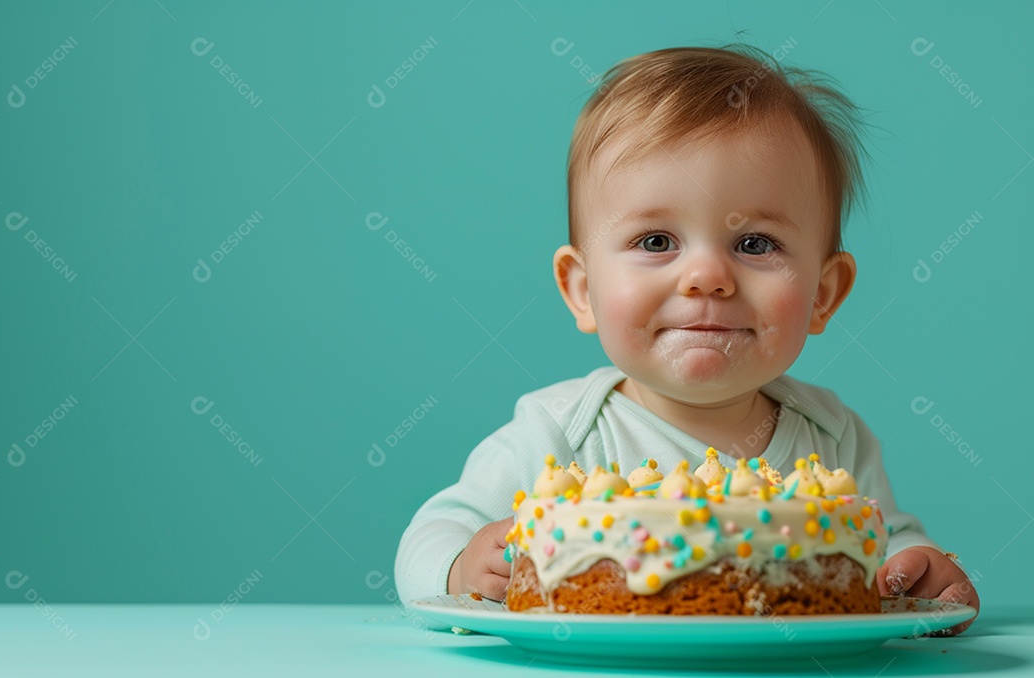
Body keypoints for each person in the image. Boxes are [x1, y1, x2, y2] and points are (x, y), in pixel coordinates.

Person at [394, 45, 979, 632]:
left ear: (824, 293)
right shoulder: (558, 433)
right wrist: (460, 567)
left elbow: (883, 547)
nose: (706, 278)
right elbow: (432, 534)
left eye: (755, 244)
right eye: (655, 242)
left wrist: (921, 573)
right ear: (582, 290)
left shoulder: (832, 437)